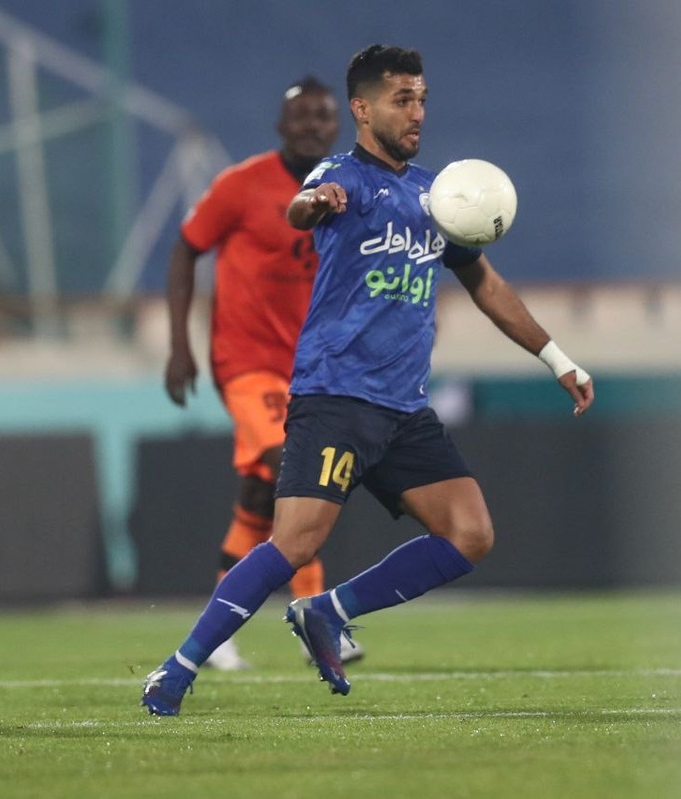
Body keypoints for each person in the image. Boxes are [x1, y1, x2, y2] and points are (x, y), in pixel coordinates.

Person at [141, 45, 594, 716]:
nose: (417, 112)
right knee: (295, 543)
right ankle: (176, 668)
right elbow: (301, 209)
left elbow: (486, 285)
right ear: (362, 108)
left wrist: (556, 357)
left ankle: (328, 610)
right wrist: (314, 202)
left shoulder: (439, 197)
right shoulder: (341, 177)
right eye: (401, 100)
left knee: (470, 532)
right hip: (336, 397)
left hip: (405, 409)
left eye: (422, 99)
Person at [164, 75, 363, 670]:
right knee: (293, 470)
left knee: (258, 498)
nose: (312, 126)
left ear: (338, 125)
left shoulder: (348, 189)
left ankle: (216, 632)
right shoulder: (241, 185)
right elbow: (185, 248)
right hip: (246, 361)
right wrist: (179, 345)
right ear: (281, 125)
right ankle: (317, 618)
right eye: (301, 116)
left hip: (310, 368)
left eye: (323, 117)